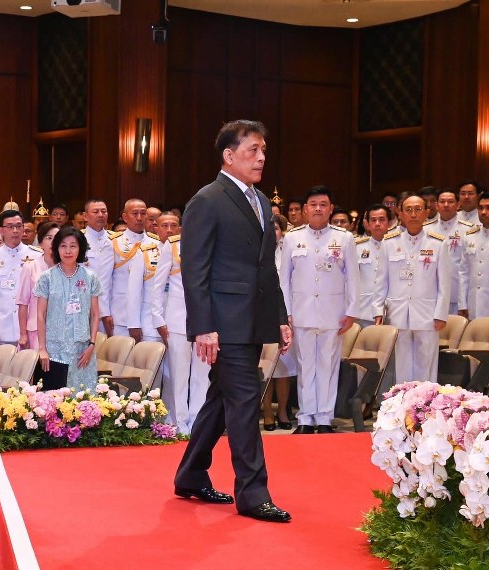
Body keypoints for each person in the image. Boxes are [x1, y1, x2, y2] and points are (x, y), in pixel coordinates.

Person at [173, 120, 291, 523]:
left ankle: (191, 474)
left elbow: (266, 268)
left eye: (263, 150)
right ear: (229, 155)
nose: (261, 157)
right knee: (244, 400)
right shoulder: (207, 200)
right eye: (252, 150)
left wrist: (280, 317)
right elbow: (195, 270)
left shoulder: (261, 200)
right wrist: (203, 327)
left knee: (222, 400)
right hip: (223, 324)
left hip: (253, 320)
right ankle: (253, 493)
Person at [279, 186, 359, 434]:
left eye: (323, 204)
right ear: (305, 209)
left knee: (328, 365)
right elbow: (284, 279)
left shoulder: (344, 238)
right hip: (301, 313)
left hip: (333, 313)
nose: (318, 209)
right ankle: (305, 418)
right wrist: (286, 312)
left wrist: (351, 311)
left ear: (331, 209)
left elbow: (353, 278)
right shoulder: (292, 238)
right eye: (313, 204)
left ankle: (324, 418)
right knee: (305, 367)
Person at [373, 194, 450, 384]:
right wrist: (378, 310)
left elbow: (444, 283)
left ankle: (425, 401)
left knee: (427, 364)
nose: (413, 214)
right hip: (398, 311)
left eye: (418, 209)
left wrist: (441, 314)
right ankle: (404, 400)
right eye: (408, 210)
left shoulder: (438, 243)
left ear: (426, 212)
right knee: (402, 365)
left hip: (428, 313)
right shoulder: (389, 242)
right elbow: (381, 280)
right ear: (400, 213)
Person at [150, 228, 208, 435]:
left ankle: (198, 422)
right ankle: (178, 422)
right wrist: (158, 317)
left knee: (203, 375)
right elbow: (158, 284)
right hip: (177, 319)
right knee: (178, 374)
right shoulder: (174, 245)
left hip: (206, 320)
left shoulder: (213, 240)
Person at [35, 226, 101, 392]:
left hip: (82, 350)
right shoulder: (47, 277)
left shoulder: (90, 277)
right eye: (63, 246)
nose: (68, 251)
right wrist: (42, 349)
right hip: (54, 349)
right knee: (55, 399)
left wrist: (92, 344)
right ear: (56, 249)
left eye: (73, 246)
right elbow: (40, 314)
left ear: (81, 248)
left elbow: (95, 314)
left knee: (83, 397)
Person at [0, 210, 41, 345]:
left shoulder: (36, 256)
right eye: (10, 226)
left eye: (19, 226)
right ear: (1, 230)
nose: (15, 230)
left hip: (31, 328)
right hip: (1, 328)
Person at [262, 214, 295, 432]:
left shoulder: (288, 251)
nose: (273, 232)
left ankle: (282, 411)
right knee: (265, 367)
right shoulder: (257, 251)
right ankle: (267, 412)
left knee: (284, 368)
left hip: (286, 313)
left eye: (276, 228)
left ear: (282, 231)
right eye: (269, 228)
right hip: (262, 314)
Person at [110, 199, 157, 337]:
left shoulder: (156, 243)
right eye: (135, 213)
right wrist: (105, 313)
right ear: (125, 217)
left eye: (143, 213)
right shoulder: (113, 243)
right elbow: (104, 282)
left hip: (149, 317)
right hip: (121, 315)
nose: (139, 218)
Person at [17, 222, 59, 350]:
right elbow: (23, 303)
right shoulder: (30, 267)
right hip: (35, 329)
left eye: (57, 238)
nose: (53, 242)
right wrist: (23, 334)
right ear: (40, 243)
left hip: (61, 330)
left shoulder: (68, 267)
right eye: (49, 238)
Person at [432, 188, 474, 314]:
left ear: (458, 205)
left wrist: (464, 302)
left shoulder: (469, 230)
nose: (446, 205)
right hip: (432, 296)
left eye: (450, 202)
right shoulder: (426, 229)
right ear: (436, 205)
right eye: (442, 202)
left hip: (457, 294)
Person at [81, 199, 114, 336]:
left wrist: (105, 311)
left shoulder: (116, 240)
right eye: (96, 212)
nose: (100, 215)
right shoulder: (77, 240)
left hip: (112, 307)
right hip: (84, 307)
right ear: (85, 216)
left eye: (104, 211)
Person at [458, 192, 489, 319]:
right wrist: (462, 304)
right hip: (474, 303)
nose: (483, 212)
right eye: (480, 208)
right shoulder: (470, 236)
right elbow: (463, 273)